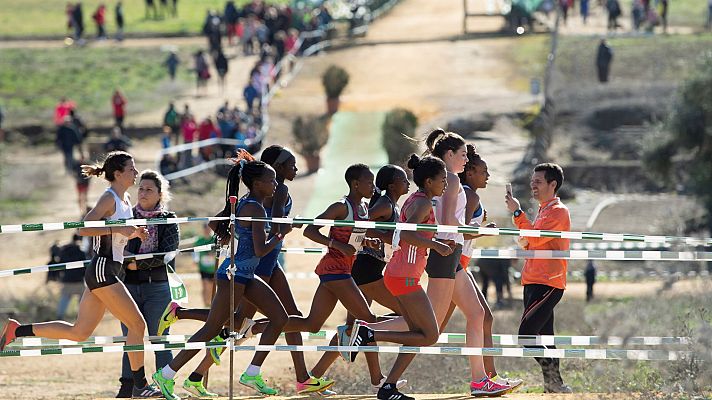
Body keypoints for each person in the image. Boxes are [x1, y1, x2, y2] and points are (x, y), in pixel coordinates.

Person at [169, 146, 334, 396]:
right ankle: (187, 336)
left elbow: (221, 221)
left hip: (268, 262)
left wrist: (233, 233)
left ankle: (302, 377)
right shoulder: (270, 194)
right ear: (273, 171)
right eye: (290, 165)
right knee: (237, 323)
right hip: (260, 264)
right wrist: (268, 229)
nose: (295, 169)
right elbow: (272, 226)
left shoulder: (263, 192)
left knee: (275, 318)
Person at [0, 151, 160, 397]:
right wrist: (121, 228)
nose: (136, 173)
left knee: (79, 332)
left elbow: (116, 231)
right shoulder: (109, 198)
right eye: (132, 169)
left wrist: (134, 232)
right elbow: (84, 228)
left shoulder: (126, 199)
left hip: (111, 268)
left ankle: (16, 331)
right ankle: (140, 385)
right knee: (137, 324)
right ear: (118, 174)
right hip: (102, 269)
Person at [152, 151, 290, 400]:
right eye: (272, 180)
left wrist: (233, 236)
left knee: (280, 318)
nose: (276, 185)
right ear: (257, 184)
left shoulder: (248, 203)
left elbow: (222, 227)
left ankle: (252, 372)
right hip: (234, 275)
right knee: (211, 329)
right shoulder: (255, 209)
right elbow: (260, 249)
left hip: (243, 274)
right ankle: (166, 373)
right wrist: (281, 234)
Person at [246, 164, 383, 392]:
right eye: (369, 183)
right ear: (355, 184)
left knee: (312, 324)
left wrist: (368, 242)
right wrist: (336, 244)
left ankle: (254, 328)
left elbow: (355, 238)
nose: (373, 187)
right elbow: (310, 230)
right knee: (367, 319)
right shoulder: (341, 206)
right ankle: (379, 380)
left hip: (342, 271)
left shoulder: (365, 209)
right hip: (335, 270)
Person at [347, 155, 461, 400]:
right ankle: (368, 334)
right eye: (442, 180)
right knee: (430, 335)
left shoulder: (416, 199)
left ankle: (388, 387)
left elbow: (406, 234)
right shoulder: (423, 204)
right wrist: (437, 246)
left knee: (417, 334)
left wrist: (436, 242)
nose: (446, 184)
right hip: (404, 276)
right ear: (429, 181)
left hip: (401, 273)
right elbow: (408, 235)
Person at [309, 164, 411, 392]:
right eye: (404, 180)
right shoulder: (384, 203)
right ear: (393, 184)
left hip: (367, 269)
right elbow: (360, 225)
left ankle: (314, 376)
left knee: (356, 326)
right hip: (365, 271)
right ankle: (378, 379)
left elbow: (363, 228)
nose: (408, 184)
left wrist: (374, 239)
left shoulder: (391, 204)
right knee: (405, 315)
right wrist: (384, 237)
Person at [505, 163, 572, 393]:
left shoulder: (558, 211)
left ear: (553, 185)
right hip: (533, 280)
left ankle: (554, 378)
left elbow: (532, 240)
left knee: (526, 336)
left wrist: (517, 212)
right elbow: (531, 239)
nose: (533, 185)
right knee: (546, 336)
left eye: (538, 182)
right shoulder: (545, 209)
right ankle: (553, 385)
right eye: (532, 181)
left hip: (548, 282)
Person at [115, 170, 179, 397]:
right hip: (128, 287)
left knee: (160, 339)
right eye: (140, 188)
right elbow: (119, 251)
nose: (143, 192)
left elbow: (167, 254)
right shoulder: (127, 217)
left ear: (160, 194)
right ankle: (128, 386)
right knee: (131, 338)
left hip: (158, 287)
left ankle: (165, 386)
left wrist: (135, 265)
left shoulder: (169, 218)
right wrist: (130, 265)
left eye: (149, 189)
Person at [55, 234, 87, 320]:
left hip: (67, 280)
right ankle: (83, 317)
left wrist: (59, 277)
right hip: (79, 280)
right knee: (82, 300)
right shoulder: (81, 252)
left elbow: (59, 265)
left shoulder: (64, 250)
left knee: (64, 299)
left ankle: (60, 316)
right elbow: (85, 267)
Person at [193, 224, 217, 307]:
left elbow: (221, 251)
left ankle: (212, 305)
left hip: (214, 268)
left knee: (212, 288)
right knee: (205, 286)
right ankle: (206, 305)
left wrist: (214, 254)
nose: (207, 231)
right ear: (203, 230)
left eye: (209, 229)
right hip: (203, 268)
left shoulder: (215, 240)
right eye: (206, 229)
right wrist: (195, 260)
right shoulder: (199, 241)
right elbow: (195, 252)